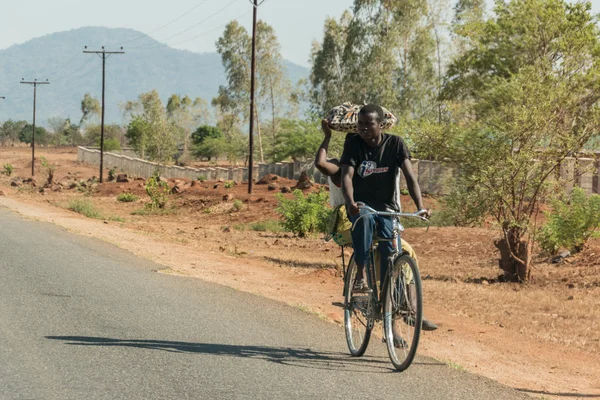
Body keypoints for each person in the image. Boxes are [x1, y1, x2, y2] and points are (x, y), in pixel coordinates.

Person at [317, 116, 438, 332]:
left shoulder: (386, 153)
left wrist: (420, 205)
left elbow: (408, 177)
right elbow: (322, 165)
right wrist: (327, 137)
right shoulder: (342, 167)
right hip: (353, 220)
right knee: (400, 248)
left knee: (395, 254)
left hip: (380, 213)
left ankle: (397, 315)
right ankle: (391, 303)